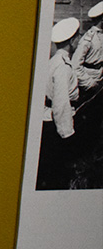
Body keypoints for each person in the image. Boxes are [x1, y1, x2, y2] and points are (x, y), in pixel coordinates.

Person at [37, 17, 79, 190]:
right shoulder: (62, 66)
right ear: (71, 41)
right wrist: (67, 134)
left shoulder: (54, 61)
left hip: (48, 117)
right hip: (55, 124)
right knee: (57, 171)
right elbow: (61, 103)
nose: (78, 40)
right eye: (77, 37)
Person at [72, 1, 103, 96]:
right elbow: (75, 65)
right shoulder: (88, 39)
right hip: (89, 83)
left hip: (100, 79)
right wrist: (90, 83)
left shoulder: (101, 35)